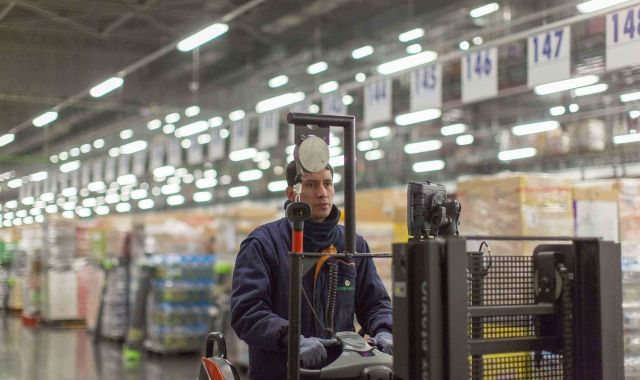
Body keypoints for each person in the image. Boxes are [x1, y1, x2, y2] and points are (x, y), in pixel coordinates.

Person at [230, 161, 393, 379]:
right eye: (311, 185)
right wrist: (293, 340)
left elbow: (375, 303)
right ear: (291, 193)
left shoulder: (353, 245)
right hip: (282, 371)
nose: (322, 193)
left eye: (327, 183)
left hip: (343, 370)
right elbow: (247, 312)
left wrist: (385, 331)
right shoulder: (263, 244)